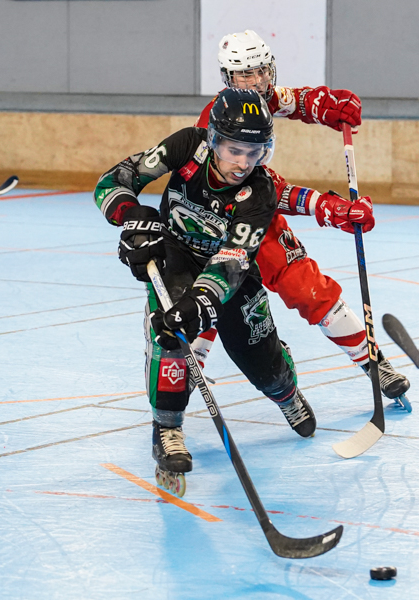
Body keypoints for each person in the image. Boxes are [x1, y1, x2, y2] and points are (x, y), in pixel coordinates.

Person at [93, 89, 376, 495]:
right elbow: (115, 180)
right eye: (233, 150)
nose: (242, 163)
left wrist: (199, 304)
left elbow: (232, 261)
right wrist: (133, 215)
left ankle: (286, 392)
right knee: (171, 336)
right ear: (212, 140)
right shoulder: (187, 145)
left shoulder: (258, 193)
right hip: (176, 255)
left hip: (232, 277)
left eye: (254, 152)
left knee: (265, 366)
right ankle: (167, 428)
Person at [190, 30, 410, 404]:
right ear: (228, 78)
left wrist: (327, 105)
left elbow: (297, 100)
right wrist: (328, 207)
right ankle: (186, 372)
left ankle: (374, 362)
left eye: (261, 71)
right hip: (214, 224)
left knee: (306, 286)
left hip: (260, 218)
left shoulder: (264, 96)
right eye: (245, 75)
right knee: (210, 298)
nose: (257, 81)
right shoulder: (216, 120)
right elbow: (263, 184)